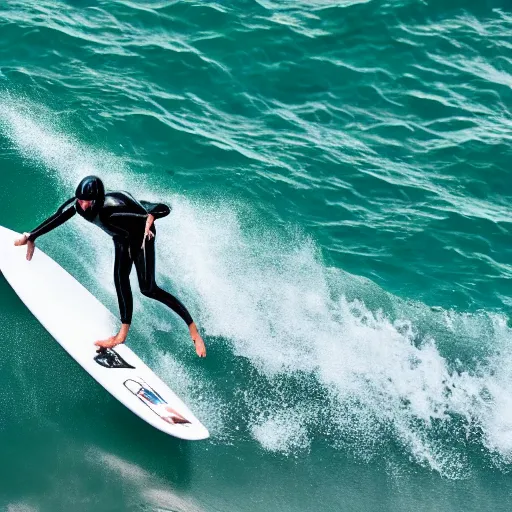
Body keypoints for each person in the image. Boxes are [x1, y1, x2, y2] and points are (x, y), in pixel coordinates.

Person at [14, 176, 206, 357]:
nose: (81, 205)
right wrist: (31, 236)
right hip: (121, 237)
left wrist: (152, 216)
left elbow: (164, 208)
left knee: (148, 289)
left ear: (96, 199)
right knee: (120, 278)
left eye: (86, 201)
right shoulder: (81, 205)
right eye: (80, 200)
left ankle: (193, 330)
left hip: (141, 237)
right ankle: (121, 335)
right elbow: (60, 216)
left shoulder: (111, 210)